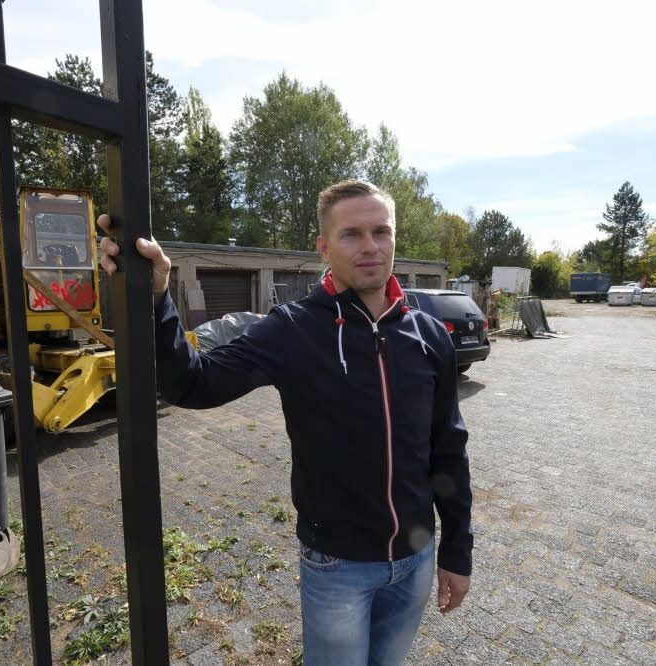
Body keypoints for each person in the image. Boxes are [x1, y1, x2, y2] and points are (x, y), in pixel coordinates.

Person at [98, 180, 472, 665]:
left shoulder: (426, 334)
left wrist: (457, 551)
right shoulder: (293, 328)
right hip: (339, 566)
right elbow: (192, 384)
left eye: (381, 231)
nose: (370, 247)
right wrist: (158, 299)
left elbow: (449, 447)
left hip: (416, 558)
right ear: (324, 247)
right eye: (351, 234)